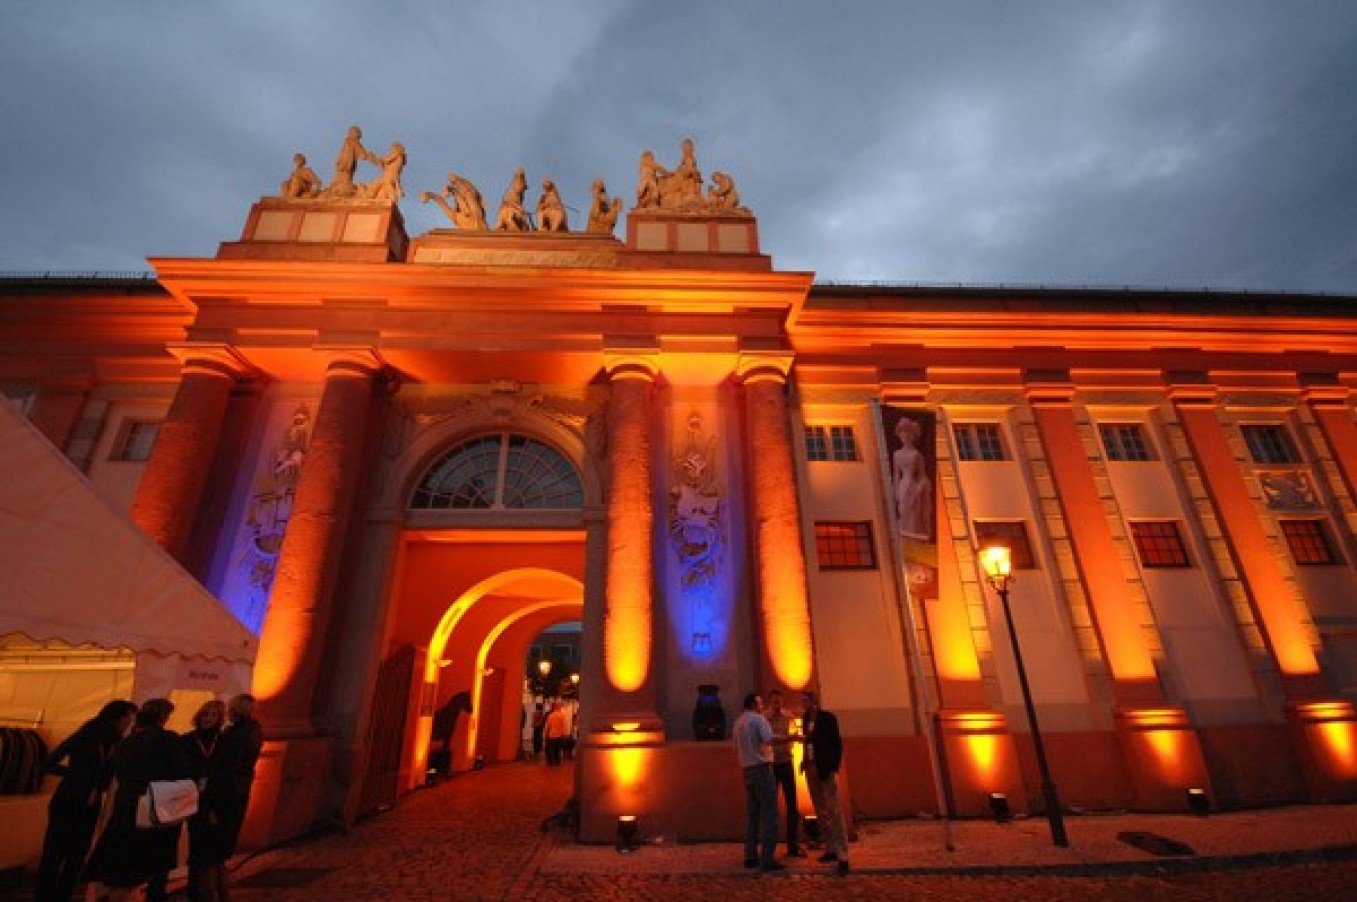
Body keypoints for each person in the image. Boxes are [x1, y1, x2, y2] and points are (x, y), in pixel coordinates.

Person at [84, 698, 192, 901]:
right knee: (149, 864)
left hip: (125, 806)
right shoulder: (168, 740)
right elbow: (182, 771)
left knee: (121, 863)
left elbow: (111, 774)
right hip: (155, 807)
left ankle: (113, 895)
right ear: (163, 718)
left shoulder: (124, 743)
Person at [35, 700, 137, 901]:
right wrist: (76, 774)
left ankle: (62, 894)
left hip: (90, 802)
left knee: (75, 854)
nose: (128, 724)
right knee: (56, 852)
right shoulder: (86, 735)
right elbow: (48, 763)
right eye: (127, 719)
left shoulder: (116, 743)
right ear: (117, 717)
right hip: (70, 799)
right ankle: (45, 895)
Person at [196, 693, 265, 901]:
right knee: (218, 855)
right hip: (238, 795)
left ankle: (209, 897)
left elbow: (226, 771)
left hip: (225, 798)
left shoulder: (236, 735)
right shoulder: (253, 731)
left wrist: (213, 805)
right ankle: (223, 895)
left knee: (207, 855)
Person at [732, 692, 782, 872]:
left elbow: (735, 748)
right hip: (762, 768)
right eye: (760, 703)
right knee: (769, 814)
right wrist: (787, 738)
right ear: (754, 704)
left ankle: (750, 855)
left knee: (752, 815)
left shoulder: (738, 723)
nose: (762, 706)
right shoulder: (759, 720)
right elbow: (769, 739)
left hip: (747, 770)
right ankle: (767, 858)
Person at [800, 691, 849, 875]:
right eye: (802, 701)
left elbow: (836, 742)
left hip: (825, 768)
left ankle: (842, 853)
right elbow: (807, 742)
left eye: (805, 701)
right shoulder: (805, 719)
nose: (803, 704)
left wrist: (833, 765)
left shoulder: (828, 718)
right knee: (820, 810)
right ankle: (830, 848)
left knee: (834, 810)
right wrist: (804, 761)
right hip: (811, 768)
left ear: (814, 701)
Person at [181, 700, 225, 901]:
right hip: (192, 798)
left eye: (214, 715)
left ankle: (212, 891)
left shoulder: (223, 741)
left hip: (215, 800)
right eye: (206, 713)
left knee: (211, 849)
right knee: (197, 845)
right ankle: (195, 891)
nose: (208, 718)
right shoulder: (188, 740)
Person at [765, 690, 804, 858]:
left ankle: (793, 846)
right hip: (772, 764)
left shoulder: (788, 717)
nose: (777, 705)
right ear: (770, 702)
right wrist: (788, 738)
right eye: (774, 702)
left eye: (779, 702)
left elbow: (795, 733)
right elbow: (770, 739)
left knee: (792, 805)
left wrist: (791, 738)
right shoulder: (764, 719)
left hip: (787, 762)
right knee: (771, 807)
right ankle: (770, 848)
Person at [893, 416, 933, 540]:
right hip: (902, 486)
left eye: (907, 433)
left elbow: (922, 476)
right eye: (902, 433)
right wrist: (896, 492)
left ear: (912, 435)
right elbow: (896, 475)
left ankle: (914, 536)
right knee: (904, 512)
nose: (904, 436)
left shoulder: (917, 455)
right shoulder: (897, 454)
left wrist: (919, 489)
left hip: (913, 487)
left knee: (913, 513)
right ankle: (905, 536)